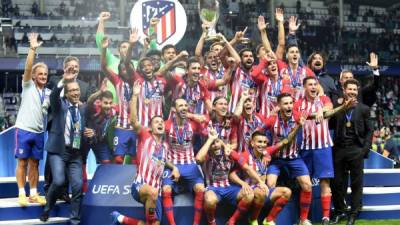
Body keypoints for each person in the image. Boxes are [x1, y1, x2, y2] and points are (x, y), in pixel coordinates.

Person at [110, 81, 180, 225]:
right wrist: (135, 96)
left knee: (152, 223)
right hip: (140, 186)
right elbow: (134, 120)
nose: (160, 123)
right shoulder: (145, 136)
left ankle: (120, 218)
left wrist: (174, 167)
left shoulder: (165, 145)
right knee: (153, 193)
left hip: (156, 193)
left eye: (161, 121)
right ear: (150, 127)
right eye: (156, 122)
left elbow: (163, 160)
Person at [40, 75, 89, 224]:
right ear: (66, 94)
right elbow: (54, 95)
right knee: (59, 181)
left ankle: (75, 220)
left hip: (75, 154)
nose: (75, 93)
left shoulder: (82, 109)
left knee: (78, 186)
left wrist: (89, 133)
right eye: (72, 90)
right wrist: (63, 81)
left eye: (77, 90)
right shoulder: (59, 105)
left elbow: (82, 130)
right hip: (58, 152)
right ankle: (48, 208)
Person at [196, 128, 268, 225]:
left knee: (249, 194)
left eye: (217, 142)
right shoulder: (206, 155)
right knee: (210, 200)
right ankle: (211, 222)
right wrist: (210, 139)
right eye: (212, 144)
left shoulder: (229, 153)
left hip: (229, 187)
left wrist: (260, 182)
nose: (216, 145)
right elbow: (198, 159)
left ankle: (232, 221)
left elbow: (247, 168)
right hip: (213, 188)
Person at [230, 128, 302, 225]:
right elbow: (231, 175)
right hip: (249, 191)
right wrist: (243, 183)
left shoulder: (267, 153)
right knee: (261, 192)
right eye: (259, 142)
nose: (262, 145)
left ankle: (269, 220)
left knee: (287, 192)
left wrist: (298, 126)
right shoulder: (245, 156)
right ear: (252, 143)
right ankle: (253, 220)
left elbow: (284, 142)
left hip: (263, 189)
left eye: (265, 142)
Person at [265, 93, 313, 225]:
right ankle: (270, 219)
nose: (289, 106)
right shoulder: (272, 120)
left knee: (307, 185)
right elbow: (258, 134)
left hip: (294, 158)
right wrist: (266, 152)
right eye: (285, 104)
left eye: (291, 103)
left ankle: (303, 219)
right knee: (270, 187)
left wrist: (320, 111)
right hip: (276, 159)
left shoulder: (298, 117)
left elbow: (317, 114)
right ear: (279, 106)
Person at [330, 79, 373, 225]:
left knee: (356, 184)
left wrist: (364, 150)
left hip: (356, 150)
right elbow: (329, 124)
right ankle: (340, 211)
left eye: (355, 89)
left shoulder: (364, 109)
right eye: (350, 89)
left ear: (357, 91)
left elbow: (369, 131)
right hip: (339, 149)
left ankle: (353, 214)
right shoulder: (337, 107)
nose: (353, 92)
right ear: (344, 90)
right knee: (336, 183)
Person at [15, 33, 49, 207]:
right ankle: (22, 193)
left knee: (34, 164)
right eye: (40, 74)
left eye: (45, 74)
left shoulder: (48, 93)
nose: (43, 76)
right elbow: (28, 68)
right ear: (34, 76)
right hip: (24, 129)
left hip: (39, 133)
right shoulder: (27, 86)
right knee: (22, 162)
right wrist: (32, 49)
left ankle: (34, 194)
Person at [293, 76, 334, 225]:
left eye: (315, 84)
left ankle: (325, 217)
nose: (313, 87)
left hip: (323, 147)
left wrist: (322, 110)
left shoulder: (323, 100)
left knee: (325, 182)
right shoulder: (298, 104)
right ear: (304, 88)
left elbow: (329, 107)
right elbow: (297, 117)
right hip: (305, 148)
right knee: (305, 184)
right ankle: (304, 218)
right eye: (310, 84)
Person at [161, 98, 206, 225]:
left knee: (201, 189)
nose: (184, 108)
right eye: (180, 105)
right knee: (166, 190)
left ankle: (196, 223)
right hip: (172, 164)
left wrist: (194, 116)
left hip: (190, 164)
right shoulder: (167, 125)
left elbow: (207, 123)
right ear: (174, 109)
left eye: (186, 105)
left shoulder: (193, 125)